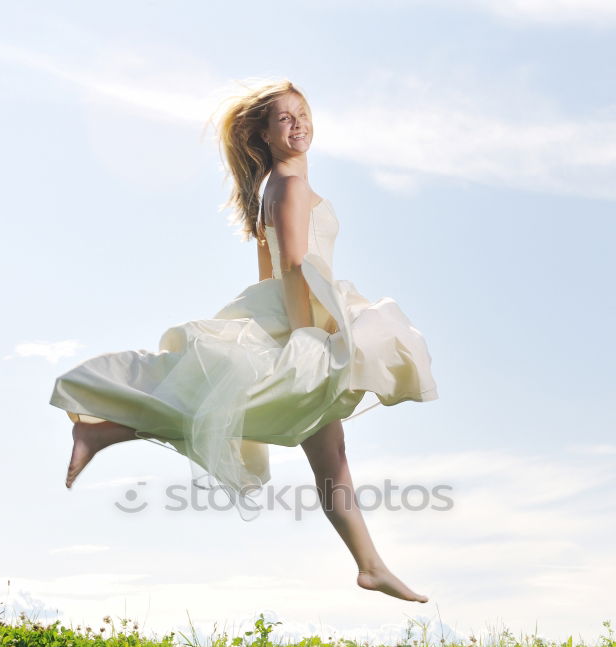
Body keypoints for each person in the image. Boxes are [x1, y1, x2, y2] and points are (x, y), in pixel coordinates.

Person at [49, 79, 438, 603]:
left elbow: (268, 272)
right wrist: (305, 337)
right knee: (249, 410)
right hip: (307, 318)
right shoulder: (289, 186)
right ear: (264, 134)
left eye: (302, 113)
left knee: (325, 449)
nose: (298, 123)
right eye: (284, 118)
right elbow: (297, 266)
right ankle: (107, 430)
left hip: (298, 310)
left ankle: (370, 566)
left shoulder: (272, 188)